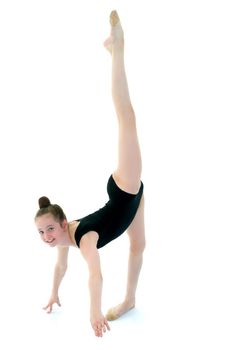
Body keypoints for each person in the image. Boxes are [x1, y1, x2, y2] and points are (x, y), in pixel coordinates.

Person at [35, 10, 145, 338]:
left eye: (49, 229)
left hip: (125, 189)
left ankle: (118, 47)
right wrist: (54, 292)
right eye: (41, 233)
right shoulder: (66, 242)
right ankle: (130, 300)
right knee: (138, 247)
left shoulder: (85, 239)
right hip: (132, 202)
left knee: (127, 117)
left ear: (63, 222)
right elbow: (60, 266)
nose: (46, 237)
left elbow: (95, 275)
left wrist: (94, 310)